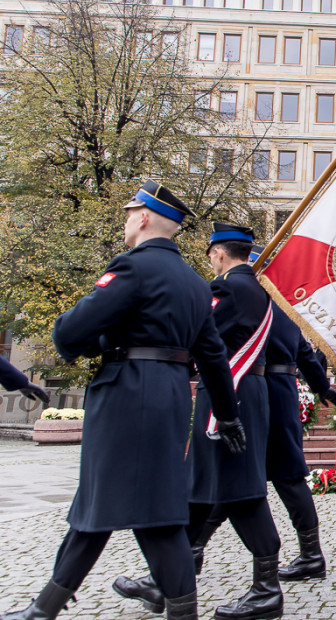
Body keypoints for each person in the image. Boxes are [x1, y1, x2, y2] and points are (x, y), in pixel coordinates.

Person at [1, 181, 244, 620]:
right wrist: (227, 416)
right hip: (170, 396)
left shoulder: (133, 267)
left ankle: (43, 610)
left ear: (145, 217)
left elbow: (71, 332)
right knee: (140, 510)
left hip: (128, 392)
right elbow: (213, 357)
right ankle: (45, 608)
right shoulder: (195, 283)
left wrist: (87, 340)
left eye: (131, 212)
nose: (126, 219)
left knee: (120, 508)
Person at [113, 222, 284, 620]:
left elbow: (201, 338)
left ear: (218, 253)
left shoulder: (227, 288)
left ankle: (266, 590)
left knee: (241, 491)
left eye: (210, 256)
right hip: (246, 391)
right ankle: (165, 579)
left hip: (229, 393)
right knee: (202, 488)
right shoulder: (260, 288)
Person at [186, 247, 336, 586]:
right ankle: (310, 554)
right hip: (284, 391)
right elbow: (304, 351)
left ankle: (193, 550)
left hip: (259, 388)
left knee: (235, 474)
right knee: (287, 477)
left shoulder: (252, 302)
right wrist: (322, 388)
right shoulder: (284, 306)